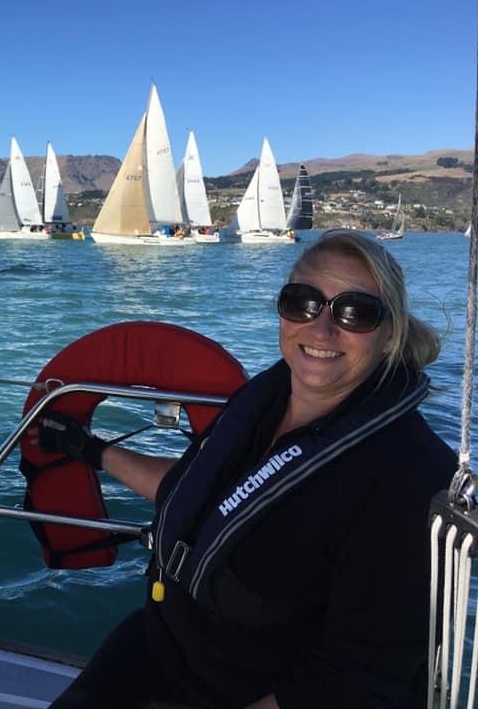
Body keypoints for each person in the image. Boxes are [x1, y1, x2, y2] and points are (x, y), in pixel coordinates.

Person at [39, 230, 455, 708]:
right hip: (166, 646)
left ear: (390, 334)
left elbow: (354, 682)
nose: (321, 329)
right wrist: (93, 451)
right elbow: (197, 494)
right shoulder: (263, 405)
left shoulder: (410, 476)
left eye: (355, 312)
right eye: (302, 302)